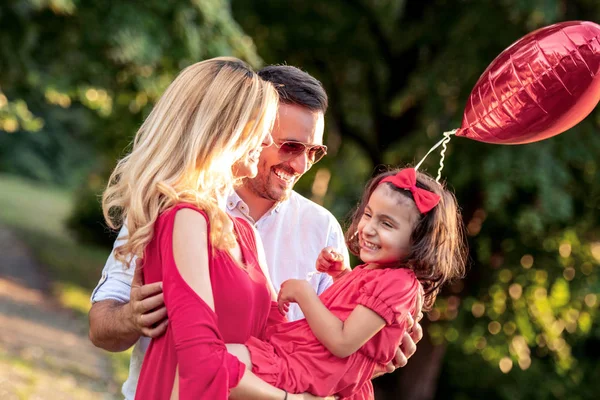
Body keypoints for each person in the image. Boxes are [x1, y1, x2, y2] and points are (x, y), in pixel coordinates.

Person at [88, 64, 422, 399]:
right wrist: (133, 318)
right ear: (239, 126)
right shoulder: (175, 212)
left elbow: (311, 352)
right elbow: (109, 329)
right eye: (290, 146)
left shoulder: (318, 230)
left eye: (314, 152)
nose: (302, 165)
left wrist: (374, 346)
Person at [100, 56, 317, 399]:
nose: (265, 142)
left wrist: (368, 325)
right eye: (260, 128)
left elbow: (281, 345)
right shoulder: (183, 217)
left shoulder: (243, 231)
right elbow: (200, 362)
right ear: (223, 130)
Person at [227, 167, 468, 399]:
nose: (369, 229)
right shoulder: (379, 273)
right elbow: (352, 311)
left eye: (386, 224)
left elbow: (342, 342)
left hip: (309, 371)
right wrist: (341, 275)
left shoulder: (400, 284)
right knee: (216, 361)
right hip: (305, 361)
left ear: (419, 240)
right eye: (368, 214)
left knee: (215, 364)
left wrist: (303, 293)